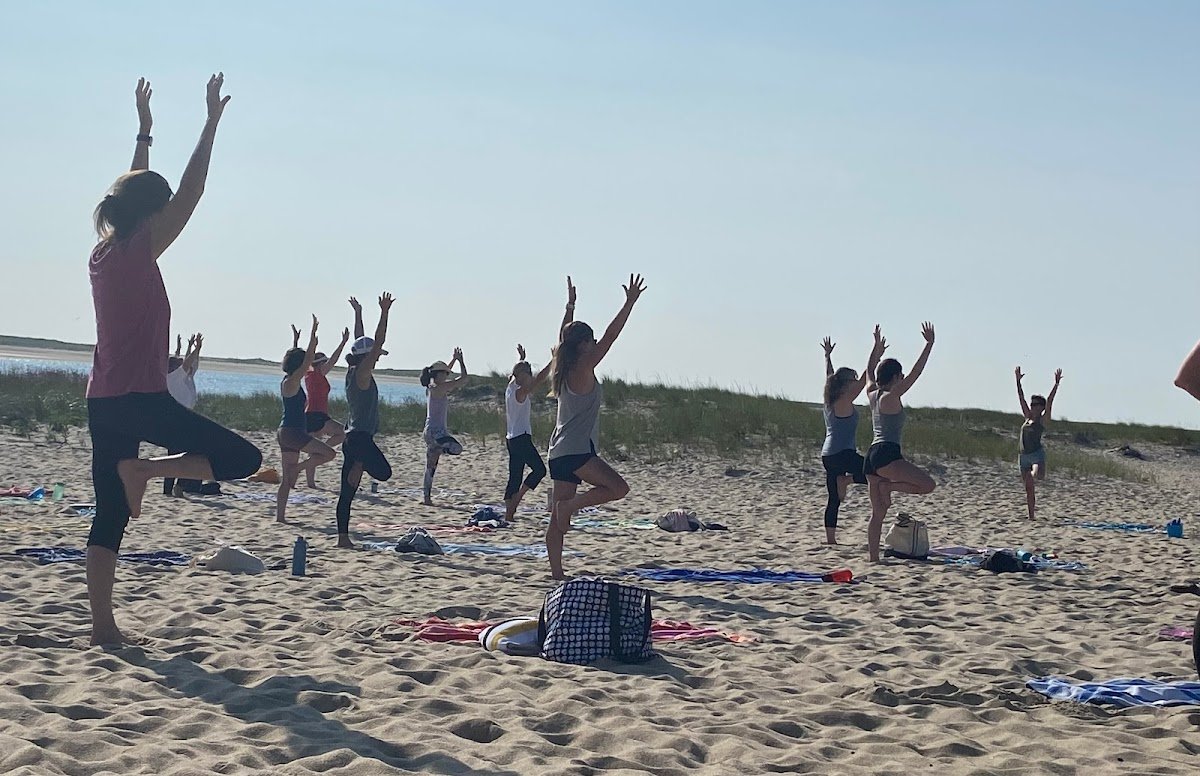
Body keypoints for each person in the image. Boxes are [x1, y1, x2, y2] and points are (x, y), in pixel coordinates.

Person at [85, 75, 261, 645]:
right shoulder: (139, 251)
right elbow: (192, 191)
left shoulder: (104, 251)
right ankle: (147, 472)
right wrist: (210, 123)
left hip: (103, 401)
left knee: (110, 515)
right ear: (151, 216)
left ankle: (104, 629)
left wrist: (145, 132)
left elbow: (132, 193)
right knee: (241, 457)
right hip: (141, 399)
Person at [546, 274, 647, 580]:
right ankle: (571, 507)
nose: (594, 345)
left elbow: (563, 338)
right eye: (590, 342)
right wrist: (629, 303)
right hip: (576, 451)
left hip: (558, 452)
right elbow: (611, 336)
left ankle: (557, 574)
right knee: (618, 488)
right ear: (583, 346)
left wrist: (570, 306)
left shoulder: (561, 364)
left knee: (557, 517)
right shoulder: (583, 366)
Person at [863, 323, 936, 562]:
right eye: (900, 376)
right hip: (887, 453)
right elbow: (916, 373)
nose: (903, 379)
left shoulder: (872, 394)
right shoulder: (892, 396)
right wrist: (928, 345)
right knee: (927, 485)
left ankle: (874, 559)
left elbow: (869, 370)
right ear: (894, 378)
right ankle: (890, 487)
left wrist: (876, 348)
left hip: (870, 457)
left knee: (878, 513)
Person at [336, 293, 395, 548]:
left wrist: (358, 313)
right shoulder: (361, 373)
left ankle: (343, 539)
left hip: (354, 438)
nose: (378, 357)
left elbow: (361, 341)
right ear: (366, 357)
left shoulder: (354, 370)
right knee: (384, 472)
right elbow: (377, 341)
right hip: (359, 439)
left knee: (347, 492)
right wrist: (384, 312)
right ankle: (359, 463)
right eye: (375, 355)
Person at [819, 334, 880, 545]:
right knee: (874, 473)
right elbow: (865, 378)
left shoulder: (830, 399)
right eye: (851, 380)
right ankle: (846, 480)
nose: (855, 383)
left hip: (828, 455)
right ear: (845, 385)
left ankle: (830, 541)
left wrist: (827, 356)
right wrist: (876, 352)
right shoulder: (844, 400)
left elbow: (829, 375)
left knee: (834, 498)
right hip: (842, 453)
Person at [276, 317, 337, 523]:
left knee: (287, 480)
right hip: (293, 432)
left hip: (286, 432)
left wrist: (296, 341)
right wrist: (312, 336)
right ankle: (299, 469)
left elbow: (296, 359)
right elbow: (306, 359)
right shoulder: (292, 381)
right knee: (329, 454)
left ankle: (280, 517)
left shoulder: (289, 380)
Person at [302, 323, 350, 488]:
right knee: (343, 433)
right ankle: (324, 449)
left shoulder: (308, 374)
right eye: (323, 362)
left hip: (311, 415)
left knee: (314, 451)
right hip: (316, 415)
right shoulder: (317, 373)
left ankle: (310, 484)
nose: (326, 364)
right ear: (319, 364)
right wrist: (343, 343)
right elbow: (333, 360)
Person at [420, 349, 469, 505]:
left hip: (430, 431)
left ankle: (426, 498)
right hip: (437, 433)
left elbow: (445, 373)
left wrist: (453, 360)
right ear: (438, 374)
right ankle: (440, 448)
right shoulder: (439, 388)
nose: (447, 375)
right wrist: (461, 361)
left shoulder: (431, 386)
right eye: (445, 374)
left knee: (431, 466)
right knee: (457, 448)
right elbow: (463, 379)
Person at [1015, 367, 1062, 519]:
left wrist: (1056, 384)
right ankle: (1031, 516)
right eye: (1032, 404)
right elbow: (1021, 398)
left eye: (1036, 404)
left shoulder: (1042, 420)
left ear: (1041, 408)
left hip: (1036, 455)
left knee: (1032, 476)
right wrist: (1018, 381)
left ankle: (1034, 474)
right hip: (1023, 456)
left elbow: (1050, 402)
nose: (1033, 406)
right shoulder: (1027, 417)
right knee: (1029, 489)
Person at [163, 332, 204, 496]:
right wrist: (196, 348)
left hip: (184, 420)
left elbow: (191, 363)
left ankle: (175, 487)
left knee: (184, 455)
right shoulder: (172, 378)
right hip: (175, 421)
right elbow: (186, 364)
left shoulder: (186, 378)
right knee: (176, 456)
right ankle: (171, 489)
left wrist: (194, 349)